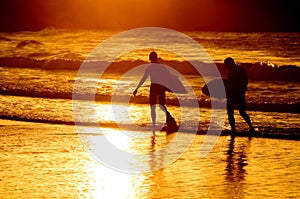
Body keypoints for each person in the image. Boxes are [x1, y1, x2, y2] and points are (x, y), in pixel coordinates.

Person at [133, 51, 176, 127]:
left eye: (152, 58)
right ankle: (154, 125)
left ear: (155, 58)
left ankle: (171, 121)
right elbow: (144, 78)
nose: (151, 60)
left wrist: (170, 87)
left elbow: (168, 77)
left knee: (161, 105)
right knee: (152, 107)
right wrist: (137, 88)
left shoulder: (161, 67)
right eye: (151, 58)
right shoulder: (149, 68)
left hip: (160, 87)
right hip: (154, 87)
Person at [224, 57, 255, 133]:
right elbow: (228, 84)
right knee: (232, 112)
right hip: (234, 94)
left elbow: (245, 81)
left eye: (227, 64)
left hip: (237, 94)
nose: (227, 66)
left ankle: (250, 127)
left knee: (240, 112)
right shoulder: (233, 71)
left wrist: (241, 90)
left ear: (232, 63)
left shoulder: (239, 70)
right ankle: (235, 129)